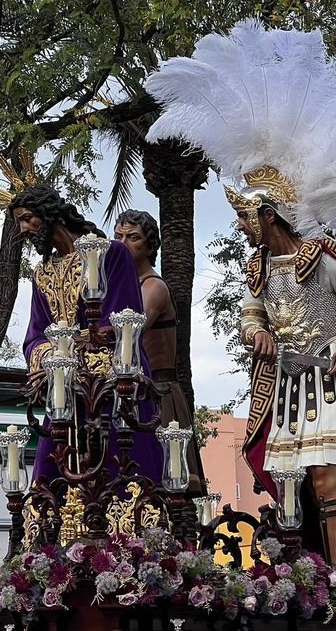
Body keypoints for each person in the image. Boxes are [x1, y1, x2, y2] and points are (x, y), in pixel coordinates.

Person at [143, 19, 336, 568]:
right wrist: (257, 332)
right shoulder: (259, 268)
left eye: (245, 218)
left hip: (328, 385)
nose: (241, 228)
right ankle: (303, 569)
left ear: (267, 215)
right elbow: (251, 313)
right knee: (295, 487)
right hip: (286, 390)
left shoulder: (323, 256)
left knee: (329, 482)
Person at [7, 184, 162, 483]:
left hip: (114, 383)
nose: (23, 229)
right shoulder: (41, 273)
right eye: (19, 222)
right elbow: (35, 335)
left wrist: (67, 346)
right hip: (65, 388)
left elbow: (123, 321)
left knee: (122, 469)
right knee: (51, 472)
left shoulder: (111, 254)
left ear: (48, 212)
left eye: (27, 218)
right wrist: (54, 357)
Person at [113, 209, 205, 494]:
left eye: (133, 237)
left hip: (157, 395)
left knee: (162, 486)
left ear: (150, 246)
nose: (123, 243)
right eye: (118, 237)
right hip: (132, 392)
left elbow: (126, 332)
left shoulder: (152, 287)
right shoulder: (122, 287)